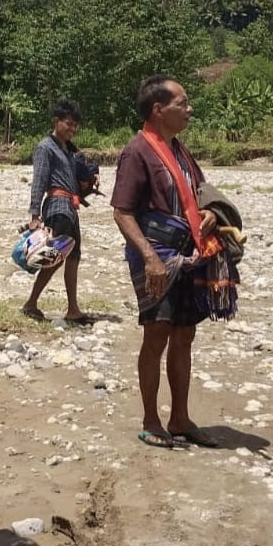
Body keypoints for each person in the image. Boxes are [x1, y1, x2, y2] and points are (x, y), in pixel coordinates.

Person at [111, 75, 230, 450]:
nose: (189, 109)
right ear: (159, 110)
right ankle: (150, 418)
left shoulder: (179, 150)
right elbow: (122, 212)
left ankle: (180, 417)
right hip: (158, 259)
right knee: (156, 335)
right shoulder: (138, 151)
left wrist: (210, 213)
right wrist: (150, 258)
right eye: (183, 103)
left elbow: (199, 194)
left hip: (188, 254)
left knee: (184, 336)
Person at [21, 99, 90, 323]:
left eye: (75, 126)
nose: (72, 129)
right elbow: (39, 180)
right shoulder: (45, 147)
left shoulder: (69, 151)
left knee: (74, 258)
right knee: (55, 257)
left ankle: (73, 309)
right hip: (57, 208)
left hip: (71, 208)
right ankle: (31, 304)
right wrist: (34, 216)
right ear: (56, 122)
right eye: (68, 124)